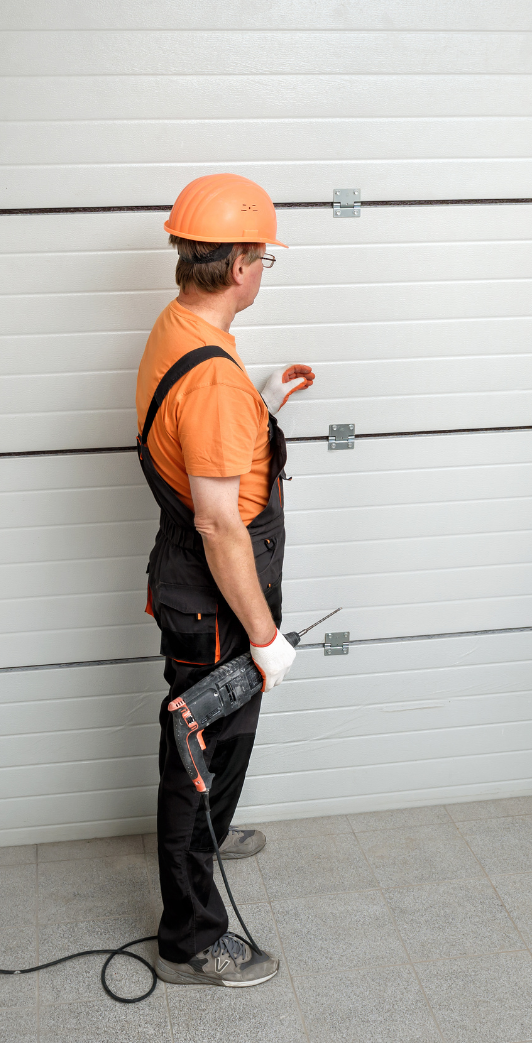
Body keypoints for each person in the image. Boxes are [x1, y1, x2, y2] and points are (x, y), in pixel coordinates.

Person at [135, 173, 315, 988]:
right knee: (204, 750)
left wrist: (261, 403)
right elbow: (218, 524)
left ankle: (209, 826)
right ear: (240, 261)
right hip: (216, 599)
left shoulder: (183, 329)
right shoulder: (211, 378)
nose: (261, 272)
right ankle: (191, 934)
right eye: (262, 258)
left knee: (213, 746)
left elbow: (207, 443)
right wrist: (267, 637)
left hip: (203, 583)